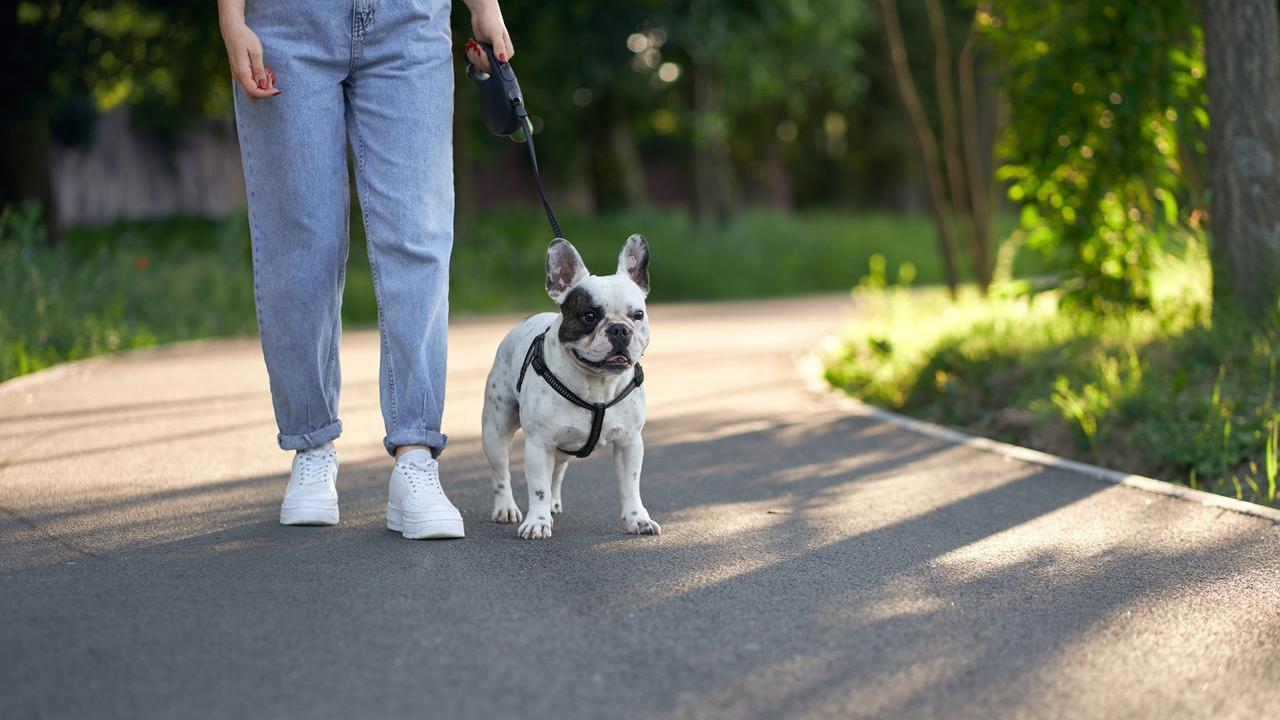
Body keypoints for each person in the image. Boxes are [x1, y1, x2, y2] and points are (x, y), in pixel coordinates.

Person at [217, 0, 514, 539]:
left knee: (418, 234)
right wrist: (232, 19)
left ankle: (416, 456)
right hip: (288, 24)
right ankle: (311, 446)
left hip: (408, 22)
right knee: (300, 241)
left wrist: (484, 6)